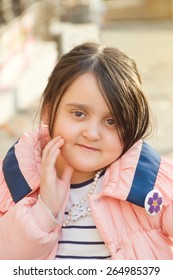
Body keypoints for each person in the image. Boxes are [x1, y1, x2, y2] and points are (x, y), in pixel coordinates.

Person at [0, 42, 173, 260]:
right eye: (79, 114)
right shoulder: (10, 184)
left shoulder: (152, 186)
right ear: (48, 112)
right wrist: (43, 212)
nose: (92, 133)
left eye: (111, 121)